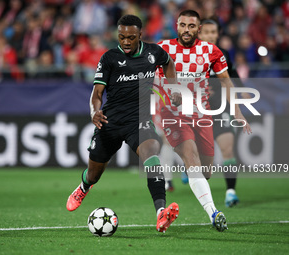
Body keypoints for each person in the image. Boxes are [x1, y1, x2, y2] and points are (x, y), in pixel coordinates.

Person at [66, 15, 179, 233]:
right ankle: (83, 187)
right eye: (121, 37)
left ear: (140, 35)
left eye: (130, 37)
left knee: (152, 157)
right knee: (93, 174)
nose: (125, 42)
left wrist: (174, 88)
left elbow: (169, 63)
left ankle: (161, 213)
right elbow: (97, 93)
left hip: (139, 121)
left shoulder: (153, 53)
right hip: (110, 122)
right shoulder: (109, 58)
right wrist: (94, 112)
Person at [156, 10, 252, 232]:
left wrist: (237, 112)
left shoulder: (212, 51)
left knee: (205, 170)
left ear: (197, 29)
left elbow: (227, 82)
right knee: (192, 160)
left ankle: (191, 172)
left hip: (202, 115)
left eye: (191, 26)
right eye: (183, 25)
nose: (186, 30)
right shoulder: (163, 48)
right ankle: (214, 213)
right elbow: (147, 77)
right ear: (176, 26)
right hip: (174, 115)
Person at [199, 19, 251, 207]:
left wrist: (241, 92)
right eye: (207, 32)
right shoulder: (189, 55)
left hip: (220, 108)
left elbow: (231, 77)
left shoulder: (223, 54)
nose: (211, 35)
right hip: (197, 110)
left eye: (214, 32)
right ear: (199, 33)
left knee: (227, 148)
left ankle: (230, 191)